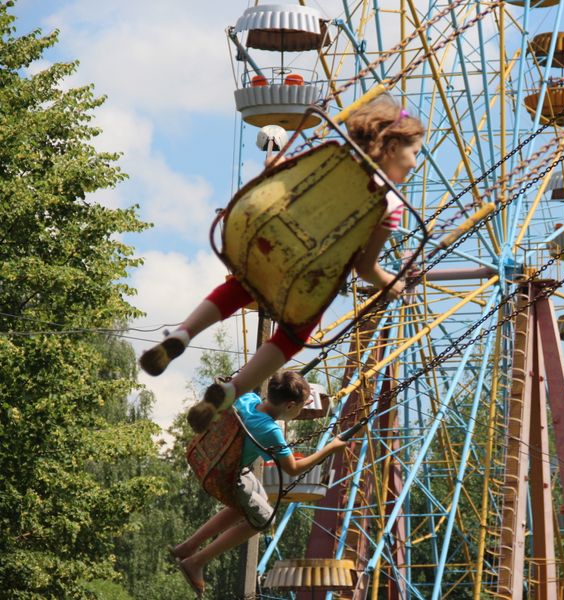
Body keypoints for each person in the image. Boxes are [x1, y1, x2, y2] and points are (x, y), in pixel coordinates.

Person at [138, 97, 425, 433]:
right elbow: (365, 268)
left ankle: (184, 334)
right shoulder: (389, 204)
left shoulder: (330, 156)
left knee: (243, 284)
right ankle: (232, 389)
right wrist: (392, 283)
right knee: (292, 333)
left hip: (270, 242)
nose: (415, 163)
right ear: (392, 146)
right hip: (308, 277)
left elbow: (279, 174)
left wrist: (275, 156)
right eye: (414, 152)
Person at [170, 371, 347, 597]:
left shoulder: (247, 400)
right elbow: (292, 469)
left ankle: (187, 547)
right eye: (301, 407)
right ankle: (196, 561)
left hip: (207, 457)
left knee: (253, 501)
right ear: (291, 405)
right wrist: (330, 448)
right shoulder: (270, 430)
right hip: (226, 477)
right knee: (263, 520)